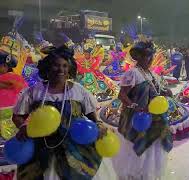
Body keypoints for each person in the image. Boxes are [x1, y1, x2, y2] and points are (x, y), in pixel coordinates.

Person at [12, 45, 109, 179]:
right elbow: (18, 116)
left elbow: (92, 117)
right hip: (40, 146)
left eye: (65, 66)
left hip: (73, 149)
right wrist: (23, 126)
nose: (61, 70)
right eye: (56, 65)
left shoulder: (79, 91)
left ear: (69, 69)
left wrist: (99, 125)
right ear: (47, 67)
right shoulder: (34, 91)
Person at [114, 41, 173, 179]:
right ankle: (135, 174)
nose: (151, 59)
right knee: (137, 148)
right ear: (139, 57)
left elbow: (155, 91)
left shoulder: (151, 74)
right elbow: (121, 95)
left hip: (153, 118)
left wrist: (165, 92)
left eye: (152, 56)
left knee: (151, 149)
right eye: (147, 56)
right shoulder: (132, 73)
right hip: (137, 118)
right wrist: (134, 106)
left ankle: (147, 174)